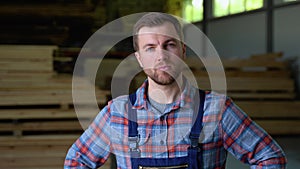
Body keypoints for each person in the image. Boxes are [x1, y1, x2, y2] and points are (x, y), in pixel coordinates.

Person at [64, 12, 287, 169]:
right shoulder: (117, 114)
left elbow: (269, 156)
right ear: (139, 59)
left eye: (169, 45)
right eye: (150, 48)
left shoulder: (216, 110)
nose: (161, 56)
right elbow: (77, 160)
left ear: (182, 51)